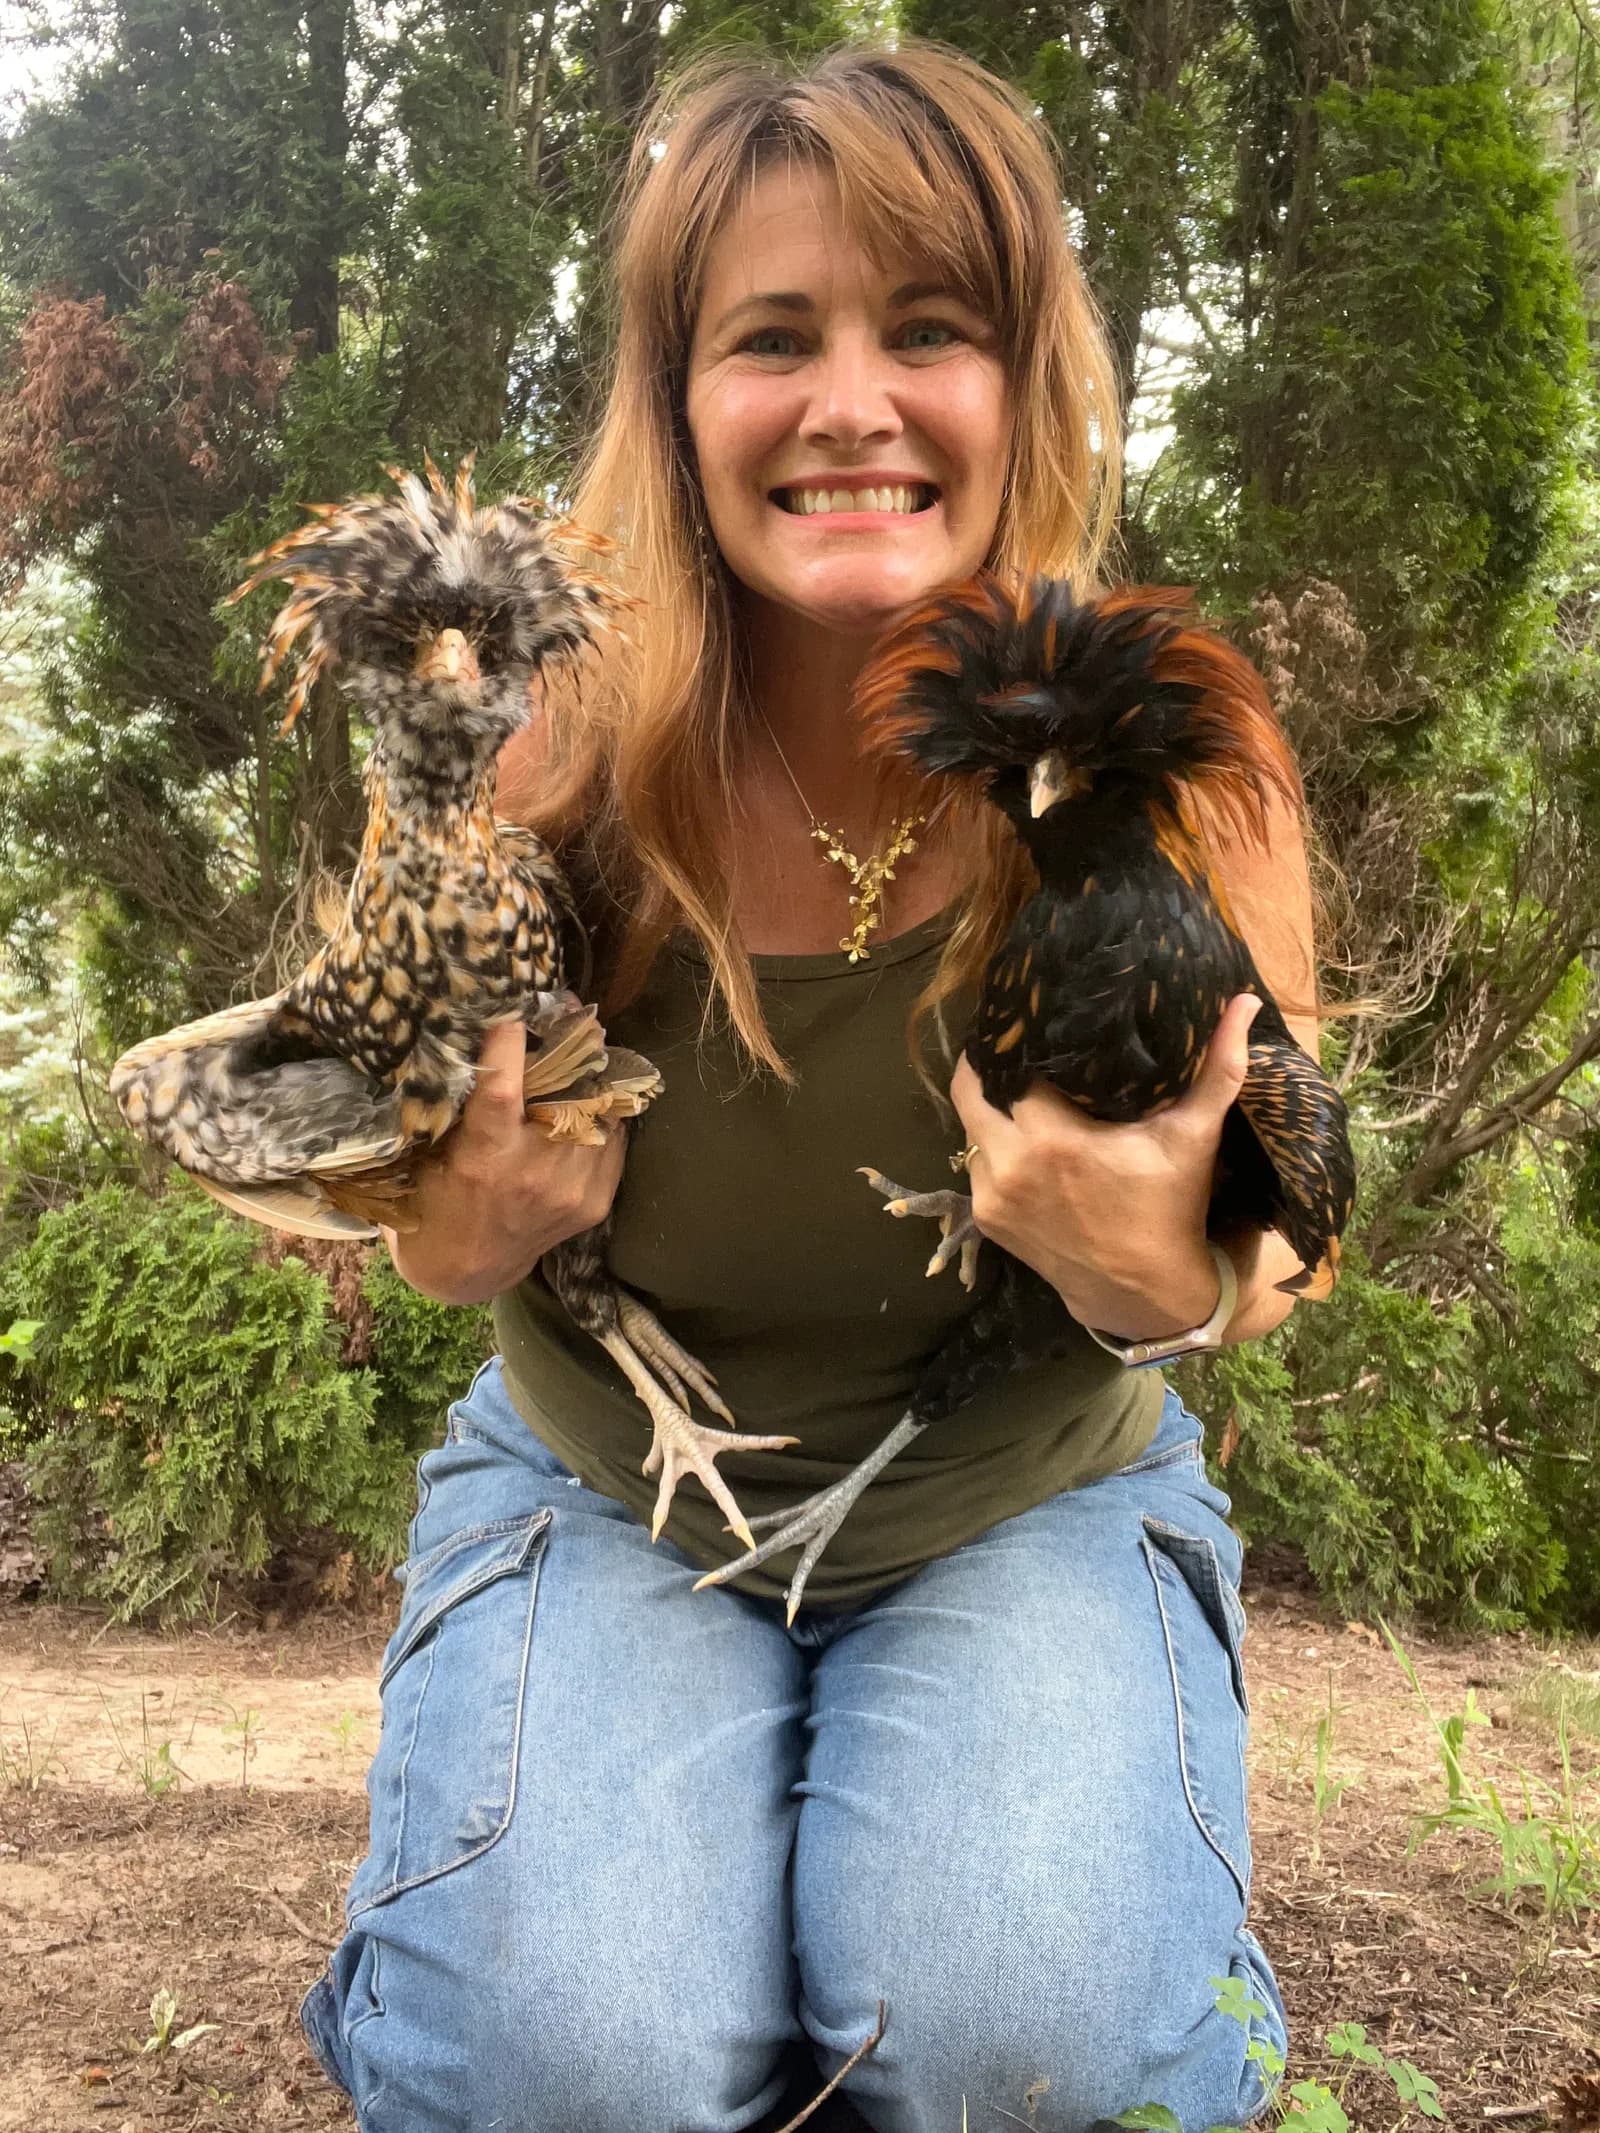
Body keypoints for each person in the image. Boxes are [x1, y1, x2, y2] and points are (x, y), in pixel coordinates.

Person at [300, 39, 1320, 2133]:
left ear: (1017, 376)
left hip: (1011, 1488)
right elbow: (381, 1180)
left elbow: (1267, 1246)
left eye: (924, 328)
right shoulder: (540, 748)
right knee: (560, 2060)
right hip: (611, 1484)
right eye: (772, 337)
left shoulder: (1164, 746)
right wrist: (446, 1231)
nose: (849, 403)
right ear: (679, 406)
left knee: (1016, 2043)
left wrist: (1152, 1274)